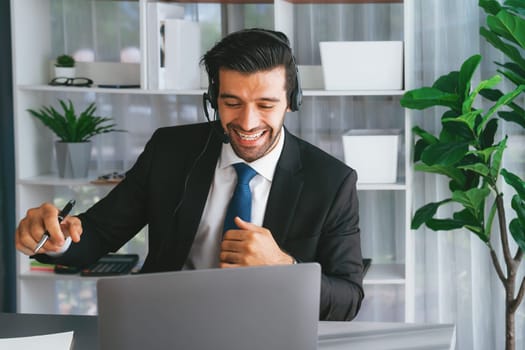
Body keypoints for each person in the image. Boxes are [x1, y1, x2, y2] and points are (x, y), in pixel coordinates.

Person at [15, 28, 364, 321]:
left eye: (266, 105)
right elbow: (100, 232)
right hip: (166, 324)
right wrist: (54, 239)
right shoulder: (170, 150)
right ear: (213, 98)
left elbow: (348, 299)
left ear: (292, 100)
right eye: (232, 103)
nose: (247, 122)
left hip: (267, 331)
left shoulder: (331, 181)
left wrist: (286, 268)